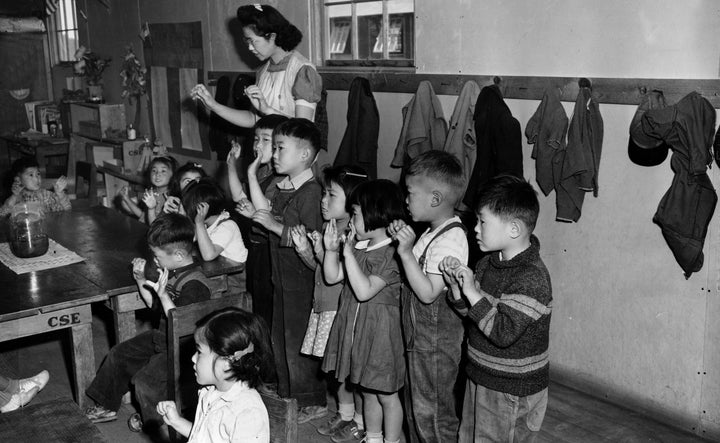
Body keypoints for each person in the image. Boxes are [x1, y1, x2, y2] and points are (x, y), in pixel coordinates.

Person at [440, 175, 553, 443]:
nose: (475, 229)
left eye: (482, 221)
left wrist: (471, 292)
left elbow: (502, 332)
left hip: (512, 388)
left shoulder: (531, 277)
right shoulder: (488, 264)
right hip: (480, 374)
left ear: (513, 229)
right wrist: (457, 291)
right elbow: (476, 317)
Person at [85, 213, 215, 438]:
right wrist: (139, 279)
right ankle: (107, 405)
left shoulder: (196, 285)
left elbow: (180, 323)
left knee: (145, 382)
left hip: (182, 346)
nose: (154, 259)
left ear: (178, 254)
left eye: (156, 255)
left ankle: (160, 428)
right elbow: (153, 305)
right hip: (162, 336)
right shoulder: (173, 270)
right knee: (119, 354)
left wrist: (164, 295)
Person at [387, 150, 468, 443]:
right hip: (418, 340)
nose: (405, 199)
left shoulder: (451, 239)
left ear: (435, 199)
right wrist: (405, 242)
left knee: (432, 414)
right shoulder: (433, 231)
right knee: (415, 410)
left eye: (409, 192)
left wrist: (406, 252)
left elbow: (427, 293)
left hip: (434, 345)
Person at [247, 118, 326, 417]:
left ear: (304, 155)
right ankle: (289, 391)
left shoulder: (311, 193)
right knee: (280, 338)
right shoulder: (283, 188)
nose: (275, 154)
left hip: (303, 282)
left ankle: (312, 400)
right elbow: (264, 213)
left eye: (280, 148)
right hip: (281, 279)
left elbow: (310, 238)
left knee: (300, 343)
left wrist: (273, 225)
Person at [322, 179, 406, 443]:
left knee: (387, 395)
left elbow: (364, 290)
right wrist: (330, 250)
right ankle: (373, 437)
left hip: (380, 337)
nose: (351, 221)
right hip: (358, 333)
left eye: (355, 214)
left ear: (373, 213)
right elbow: (332, 276)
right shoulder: (360, 246)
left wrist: (346, 254)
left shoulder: (392, 254)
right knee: (368, 391)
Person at [288, 165, 368, 434]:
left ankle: (358, 420)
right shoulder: (329, 226)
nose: (323, 201)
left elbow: (339, 276)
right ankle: (345, 414)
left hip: (339, 309)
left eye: (331, 195)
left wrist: (326, 250)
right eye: (324, 194)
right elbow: (321, 270)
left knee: (346, 370)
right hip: (323, 306)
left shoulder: (355, 234)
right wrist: (304, 250)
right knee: (335, 368)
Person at [191, 4, 322, 127]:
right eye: (246, 41)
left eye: (253, 41)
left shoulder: (302, 70)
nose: (249, 48)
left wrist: (268, 110)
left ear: (272, 37)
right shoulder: (263, 72)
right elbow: (254, 119)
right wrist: (213, 105)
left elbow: (303, 130)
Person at [156, 308, 274, 442]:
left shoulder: (247, 412)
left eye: (199, 352)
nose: (193, 358)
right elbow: (202, 437)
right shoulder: (210, 392)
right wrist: (176, 421)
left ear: (226, 363)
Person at [229, 114, 288, 329]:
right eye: (256, 139)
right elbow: (239, 198)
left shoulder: (281, 178)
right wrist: (231, 164)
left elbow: (264, 214)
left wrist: (254, 212)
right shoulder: (263, 170)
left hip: (271, 252)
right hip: (256, 249)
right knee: (256, 306)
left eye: (265, 139)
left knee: (267, 311)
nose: (257, 145)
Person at [183, 178, 249, 299]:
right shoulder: (207, 225)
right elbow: (186, 241)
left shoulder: (227, 226)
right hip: (217, 276)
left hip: (232, 283)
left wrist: (198, 223)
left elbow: (208, 255)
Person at [0, 157, 70, 216]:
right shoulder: (17, 198)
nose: (37, 178)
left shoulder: (45, 195)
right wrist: (14, 196)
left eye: (38, 174)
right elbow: (2, 214)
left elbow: (67, 209)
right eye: (31, 175)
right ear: (18, 180)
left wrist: (60, 193)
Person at [119, 156, 177, 224]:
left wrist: (151, 209)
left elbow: (156, 227)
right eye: (154, 170)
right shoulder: (151, 193)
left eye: (163, 171)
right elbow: (143, 216)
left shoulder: (171, 199)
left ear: (173, 175)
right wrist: (126, 198)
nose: (157, 174)